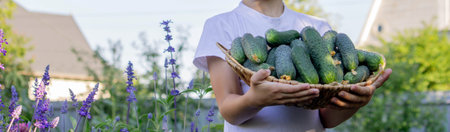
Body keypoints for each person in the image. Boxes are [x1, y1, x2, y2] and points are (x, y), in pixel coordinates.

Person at [193, 0, 392, 131]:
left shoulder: (317, 27)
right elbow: (228, 110)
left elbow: (327, 119)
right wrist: (255, 99)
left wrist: (353, 103)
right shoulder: (222, 25)